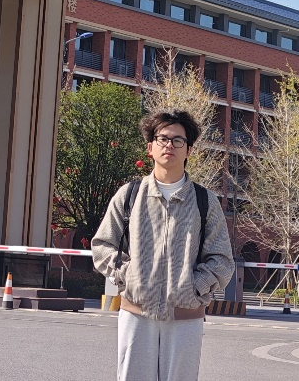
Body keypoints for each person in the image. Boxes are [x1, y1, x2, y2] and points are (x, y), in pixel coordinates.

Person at [92, 110, 234, 381]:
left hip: (186, 318)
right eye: (162, 139)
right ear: (150, 148)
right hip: (136, 313)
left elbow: (222, 260)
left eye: (178, 140)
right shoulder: (130, 195)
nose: (170, 145)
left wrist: (194, 287)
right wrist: (128, 275)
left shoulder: (205, 201)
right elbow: (102, 245)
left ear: (188, 150)